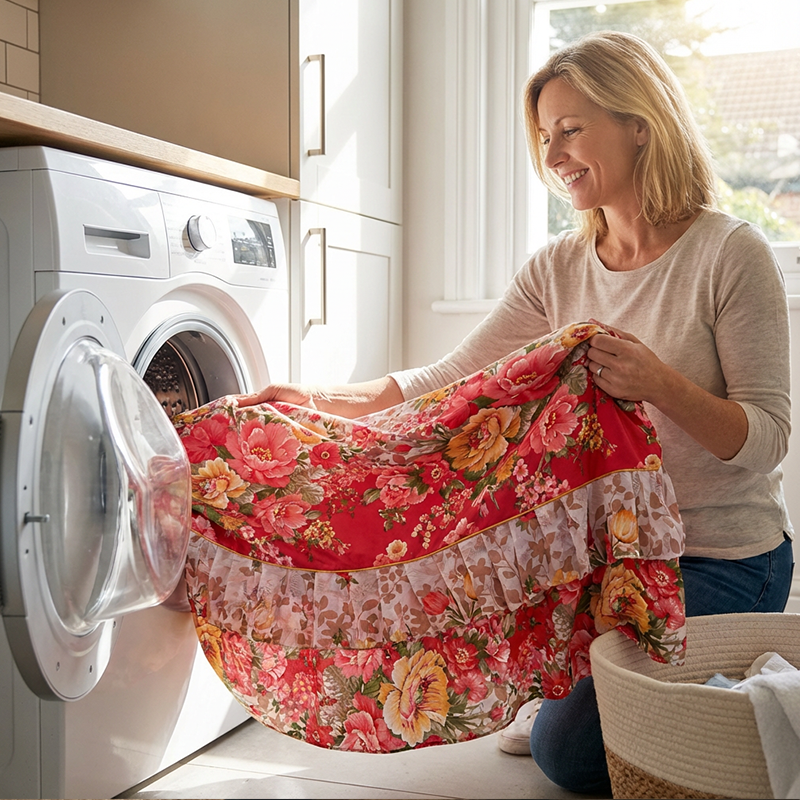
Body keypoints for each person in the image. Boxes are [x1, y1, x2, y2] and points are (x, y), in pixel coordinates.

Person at [239, 30, 794, 793]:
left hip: (725, 559)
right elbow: (448, 379)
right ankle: (593, 681)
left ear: (640, 125)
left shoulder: (729, 253)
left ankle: (656, 688)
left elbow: (767, 439)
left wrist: (660, 382)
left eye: (571, 129)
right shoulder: (557, 267)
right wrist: (318, 399)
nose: (553, 154)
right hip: (604, 560)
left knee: (568, 755)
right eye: (543, 136)